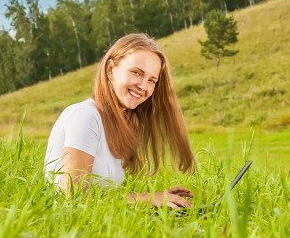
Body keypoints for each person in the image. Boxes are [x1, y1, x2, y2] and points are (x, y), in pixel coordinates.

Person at [44, 33, 195, 209]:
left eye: (152, 80)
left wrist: (158, 198)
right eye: (136, 72)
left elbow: (102, 199)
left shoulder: (113, 123)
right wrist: (145, 198)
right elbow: (72, 200)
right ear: (111, 69)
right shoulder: (85, 116)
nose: (144, 86)